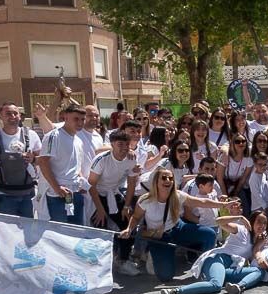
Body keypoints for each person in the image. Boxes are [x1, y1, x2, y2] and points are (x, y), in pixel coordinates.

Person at [118, 169, 231, 281]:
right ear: (156, 181)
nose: (168, 180)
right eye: (164, 178)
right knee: (165, 276)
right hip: (159, 237)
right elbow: (136, 217)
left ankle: (205, 266)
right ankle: (153, 254)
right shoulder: (145, 200)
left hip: (178, 228)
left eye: (170, 178)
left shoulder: (178, 195)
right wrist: (128, 229)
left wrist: (223, 205)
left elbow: (202, 202)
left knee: (209, 234)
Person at [157, 211, 268, 294]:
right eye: (259, 221)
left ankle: (238, 287)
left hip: (230, 269)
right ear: (252, 221)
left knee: (259, 271)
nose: (261, 226)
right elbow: (219, 221)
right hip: (217, 259)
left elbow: (254, 257)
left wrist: (259, 243)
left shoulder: (256, 241)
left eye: (264, 223)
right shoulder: (241, 230)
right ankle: (175, 291)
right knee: (215, 285)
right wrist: (240, 217)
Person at [88, 130, 142, 275]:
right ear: (112, 144)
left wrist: (126, 206)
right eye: (120, 144)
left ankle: (122, 259)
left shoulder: (131, 158)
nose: (124, 147)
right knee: (101, 228)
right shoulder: (101, 160)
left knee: (129, 225)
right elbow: (91, 185)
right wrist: (100, 210)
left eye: (126, 144)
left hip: (114, 193)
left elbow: (131, 183)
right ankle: (98, 266)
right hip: (97, 195)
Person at [0, 102, 40, 218]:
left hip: (28, 195)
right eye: (8, 114)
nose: (13, 116)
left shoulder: (31, 135)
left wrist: (34, 159)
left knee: (27, 232)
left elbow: (43, 161)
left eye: (15, 113)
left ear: (20, 116)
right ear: (0, 116)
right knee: (6, 233)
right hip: (3, 195)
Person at [39, 105, 89, 224]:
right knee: (59, 234)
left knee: (77, 231)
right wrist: (57, 188)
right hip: (57, 195)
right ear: (65, 117)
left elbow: (76, 166)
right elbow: (43, 162)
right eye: (76, 119)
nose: (80, 122)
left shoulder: (78, 140)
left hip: (75, 192)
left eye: (82, 119)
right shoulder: (53, 136)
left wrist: (81, 182)